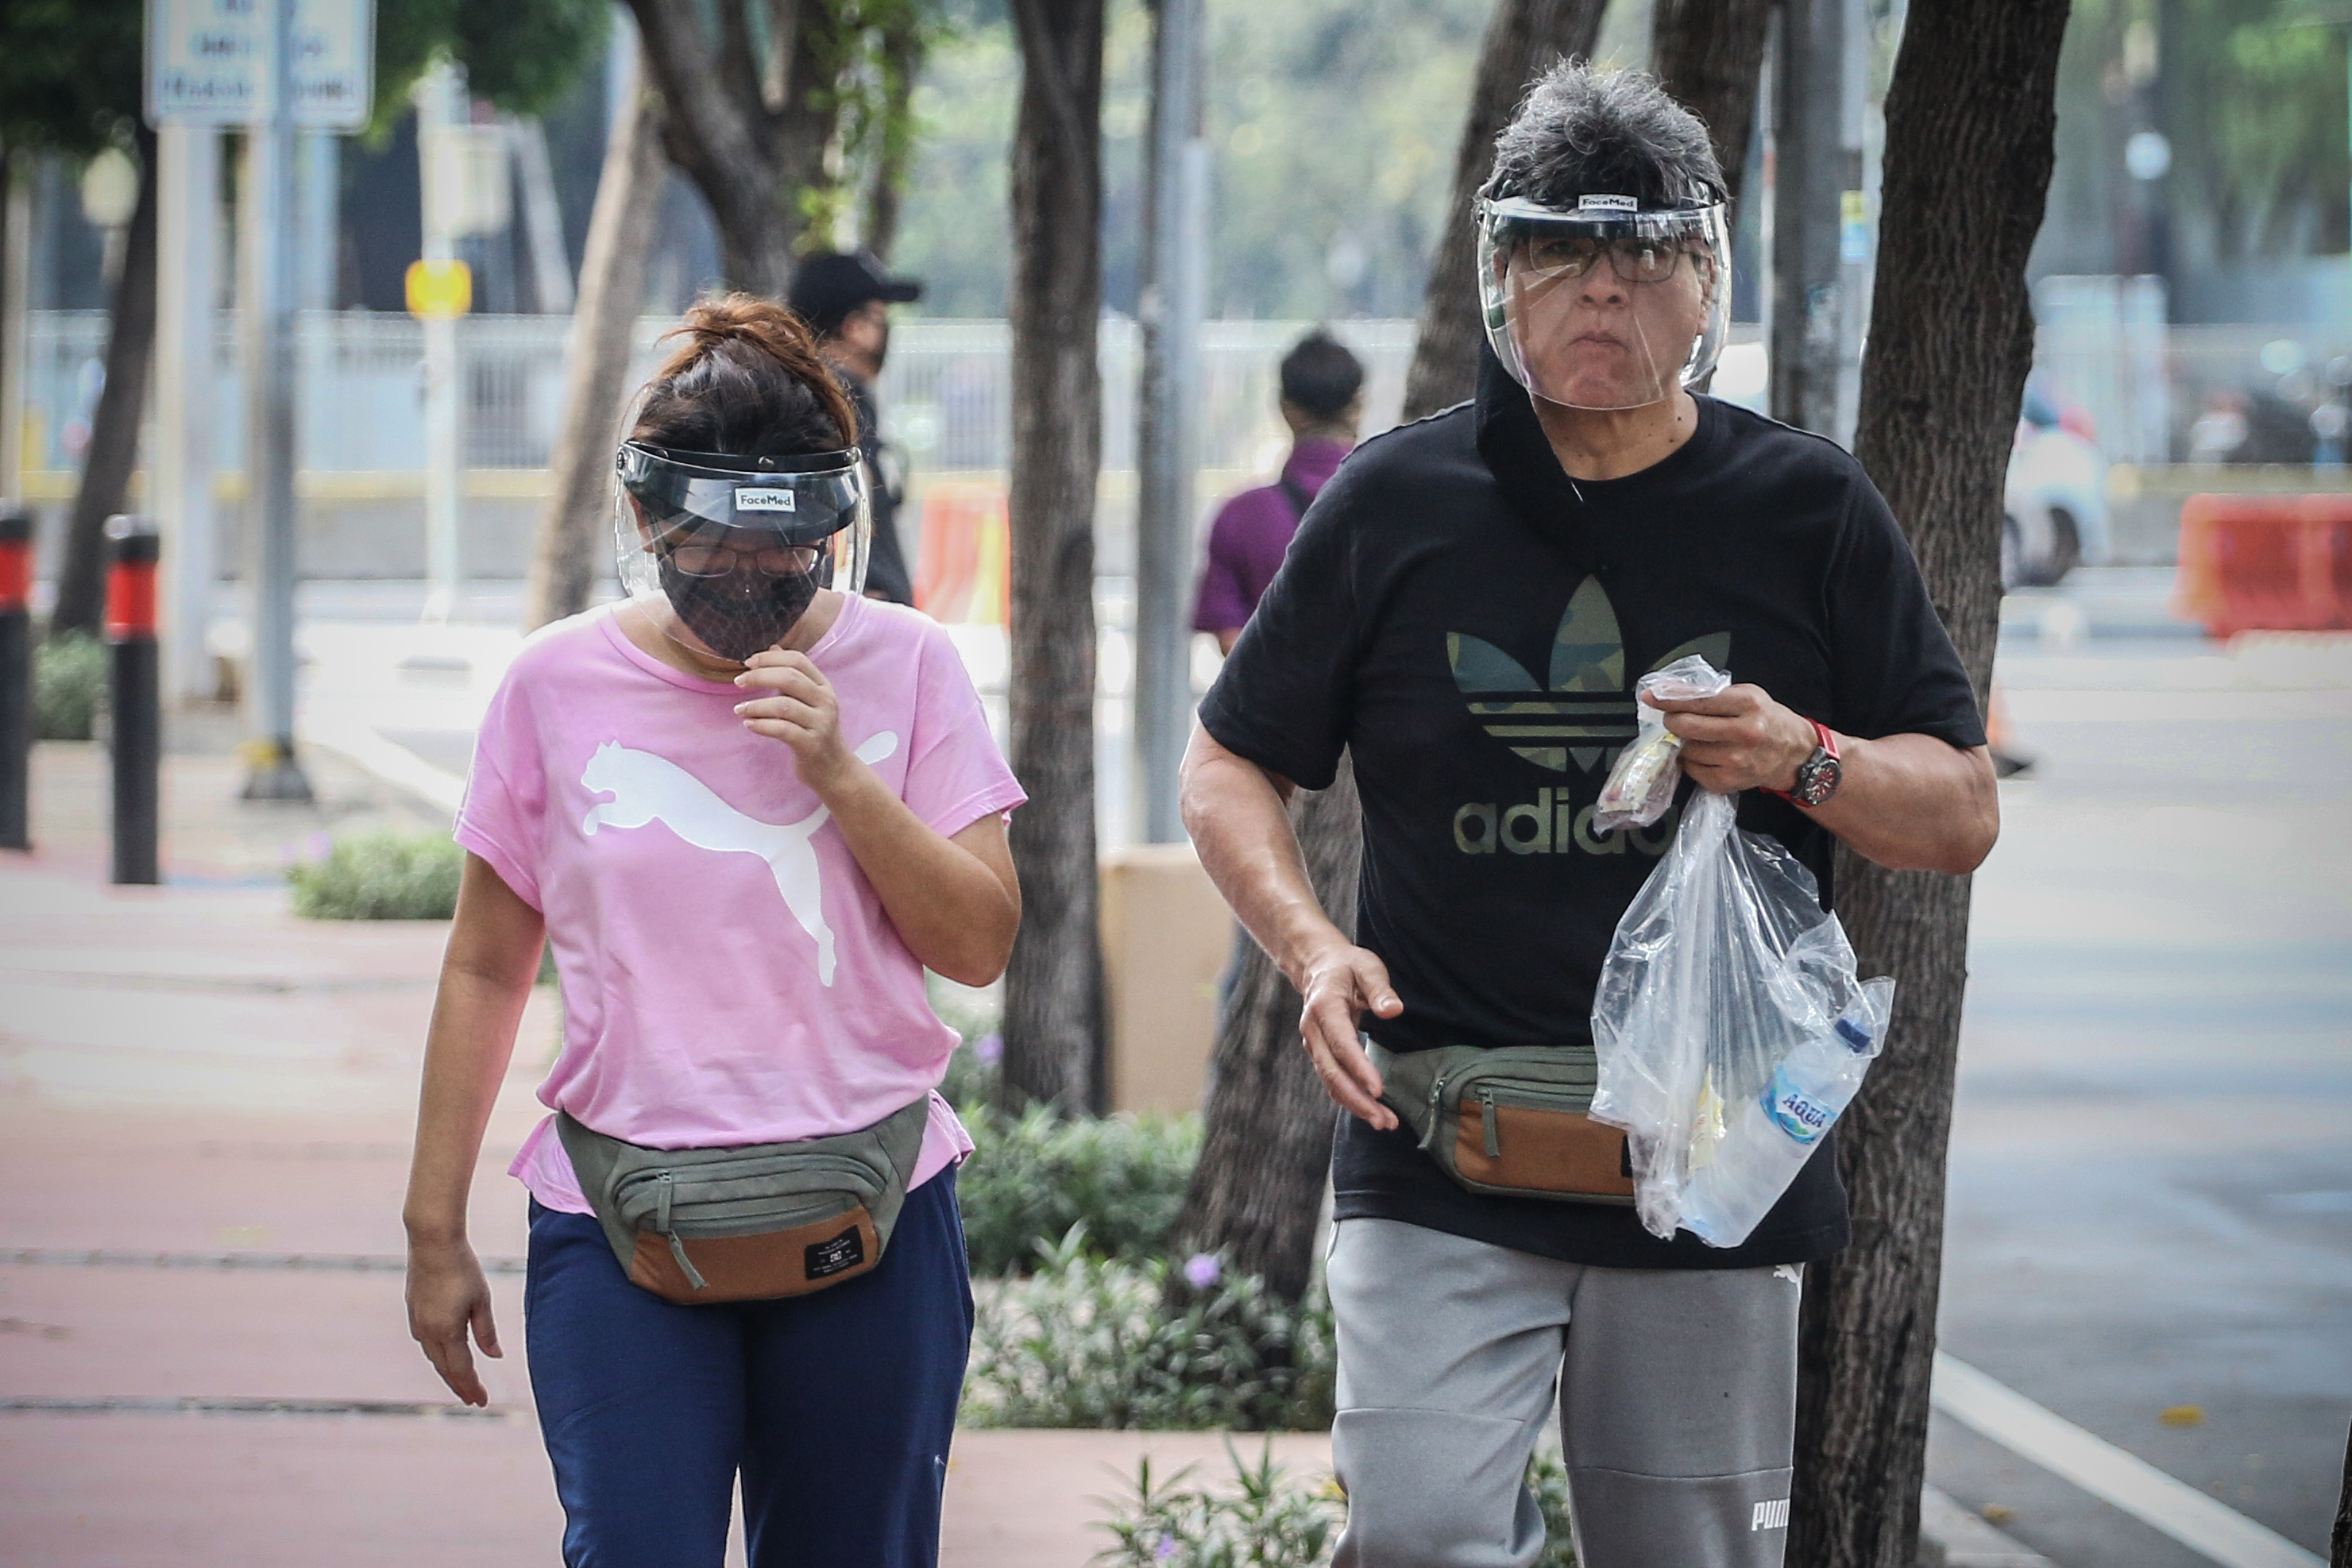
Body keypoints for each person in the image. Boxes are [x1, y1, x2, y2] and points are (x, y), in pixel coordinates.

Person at [1180, 63, 1997, 1568]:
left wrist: (1798, 753)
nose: (1603, 292)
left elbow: (1956, 812)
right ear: (1500, 274)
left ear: (1708, 280)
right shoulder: (1391, 501)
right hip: (1436, 1134)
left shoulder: (1808, 507)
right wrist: (1307, 948)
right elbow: (1228, 760)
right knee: (1415, 1533)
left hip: (1710, 1157)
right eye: (1560, 252)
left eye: (1647, 256)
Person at [401, 295, 1025, 1568]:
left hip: (873, 1209)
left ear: (832, 530)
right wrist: (432, 1227)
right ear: (643, 518)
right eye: (710, 552)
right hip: (622, 1219)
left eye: (783, 554)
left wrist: (843, 776)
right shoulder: (554, 686)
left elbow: (979, 942)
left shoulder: (906, 665)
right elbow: (483, 964)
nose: (748, 582)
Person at [1193, 330, 1365, 653]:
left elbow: (1230, 639)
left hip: (1275, 700)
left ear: (1286, 409)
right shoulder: (1395, 504)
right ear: (1358, 406)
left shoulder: (1240, 516)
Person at [790, 249, 924, 605]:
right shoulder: (835, 402)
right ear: (855, 328)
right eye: (880, 316)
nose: (885, 331)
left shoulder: (805, 396)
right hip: (860, 615)